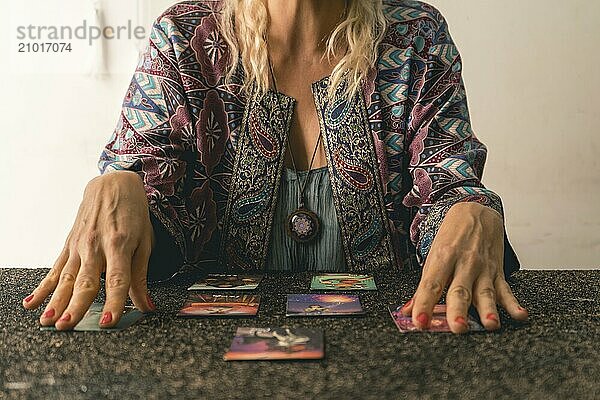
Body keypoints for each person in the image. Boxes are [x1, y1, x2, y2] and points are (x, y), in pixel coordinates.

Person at [22, 0, 529, 334]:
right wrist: (120, 180)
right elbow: (150, 178)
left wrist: (471, 207)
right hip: (207, 361)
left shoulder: (416, 36)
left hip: (388, 354)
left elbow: (445, 178)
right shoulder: (184, 36)